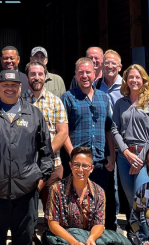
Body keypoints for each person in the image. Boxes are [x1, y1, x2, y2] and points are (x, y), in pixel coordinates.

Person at [0, 70, 54, 245]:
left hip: (26, 192)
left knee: (23, 240)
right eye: (5, 85)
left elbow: (46, 152)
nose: (9, 89)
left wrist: (39, 183)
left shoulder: (34, 114)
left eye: (13, 85)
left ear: (20, 87)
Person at [44, 147, 128, 245]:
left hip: (87, 238)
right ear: (70, 165)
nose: (80, 170)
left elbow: (99, 224)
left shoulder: (99, 192)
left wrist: (91, 239)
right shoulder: (57, 189)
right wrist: (74, 242)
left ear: (91, 168)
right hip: (63, 238)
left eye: (85, 166)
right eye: (76, 165)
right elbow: (53, 224)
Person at [61, 58, 116, 195]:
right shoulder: (68, 97)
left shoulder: (103, 97)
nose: (84, 76)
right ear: (75, 74)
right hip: (77, 164)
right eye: (81, 72)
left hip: (100, 161)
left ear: (95, 73)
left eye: (88, 72)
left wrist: (112, 155)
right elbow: (63, 131)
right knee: (75, 204)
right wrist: (73, 155)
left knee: (98, 203)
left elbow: (108, 128)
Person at [111, 65, 149, 208]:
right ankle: (135, 230)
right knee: (131, 201)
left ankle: (146, 230)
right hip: (124, 157)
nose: (134, 80)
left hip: (145, 158)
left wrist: (140, 159)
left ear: (144, 80)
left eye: (137, 77)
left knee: (142, 199)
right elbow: (114, 129)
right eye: (131, 77)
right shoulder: (120, 103)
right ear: (126, 80)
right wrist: (126, 152)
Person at [20, 61, 69, 213]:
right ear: (27, 77)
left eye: (40, 74)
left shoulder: (56, 101)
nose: (37, 77)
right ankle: (30, 236)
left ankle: (50, 236)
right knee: (27, 209)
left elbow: (62, 132)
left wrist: (44, 154)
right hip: (25, 166)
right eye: (33, 74)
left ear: (45, 76)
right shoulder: (18, 102)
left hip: (53, 164)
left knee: (53, 210)